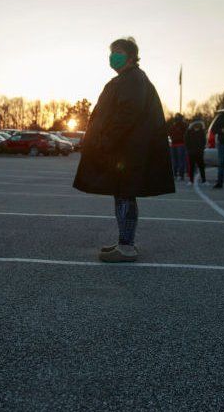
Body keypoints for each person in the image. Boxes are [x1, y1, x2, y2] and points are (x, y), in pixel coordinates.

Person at [74, 37, 175, 262]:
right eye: (111, 52)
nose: (112, 56)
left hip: (128, 150)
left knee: (125, 195)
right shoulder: (127, 79)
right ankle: (124, 241)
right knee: (122, 194)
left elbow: (127, 114)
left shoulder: (134, 79)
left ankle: (127, 246)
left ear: (131, 56)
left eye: (117, 52)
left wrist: (106, 140)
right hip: (125, 149)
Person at [210, 102, 224, 189]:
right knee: (221, 164)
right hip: (222, 143)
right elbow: (213, 129)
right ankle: (219, 183)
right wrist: (221, 130)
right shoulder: (220, 117)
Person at [185, 120, 207, 184]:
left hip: (199, 152)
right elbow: (186, 141)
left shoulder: (201, 132)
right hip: (192, 153)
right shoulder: (189, 132)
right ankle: (191, 180)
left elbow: (204, 141)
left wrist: (202, 149)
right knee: (192, 167)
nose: (196, 126)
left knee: (201, 167)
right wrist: (189, 150)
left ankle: (204, 180)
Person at [169, 114, 188, 182]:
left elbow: (170, 133)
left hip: (179, 144)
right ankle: (177, 175)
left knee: (178, 160)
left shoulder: (181, 125)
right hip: (176, 144)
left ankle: (179, 175)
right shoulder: (175, 125)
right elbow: (170, 133)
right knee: (177, 160)